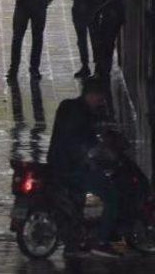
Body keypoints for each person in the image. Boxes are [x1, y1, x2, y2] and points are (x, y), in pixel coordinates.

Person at [47, 78, 120, 258]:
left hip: (57, 164)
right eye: (100, 98)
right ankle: (102, 241)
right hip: (73, 168)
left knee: (77, 201)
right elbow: (84, 145)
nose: (101, 102)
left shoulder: (68, 106)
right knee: (112, 196)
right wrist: (102, 154)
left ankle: (74, 245)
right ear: (93, 95)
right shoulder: (82, 115)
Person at [93, 0, 124, 78]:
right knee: (103, 44)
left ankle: (104, 71)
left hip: (113, 17)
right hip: (108, 17)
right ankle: (101, 70)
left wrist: (100, 9)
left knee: (107, 44)